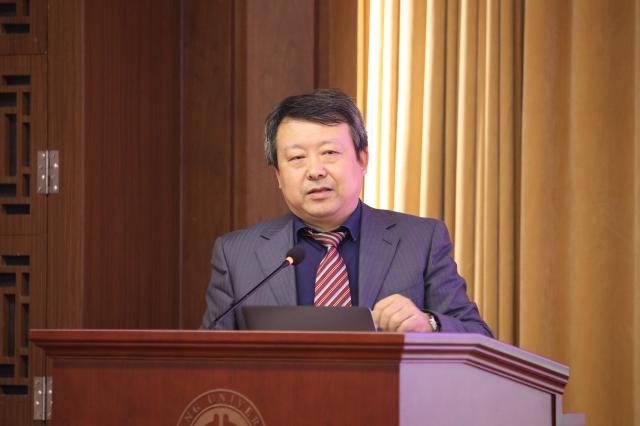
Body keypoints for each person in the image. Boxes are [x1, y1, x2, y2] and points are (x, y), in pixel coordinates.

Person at [201, 89, 492, 336]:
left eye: (329, 153)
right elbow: (207, 356)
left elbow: (479, 336)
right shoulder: (236, 255)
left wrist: (429, 323)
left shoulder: (420, 241)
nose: (315, 171)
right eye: (297, 158)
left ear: (362, 159)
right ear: (278, 174)